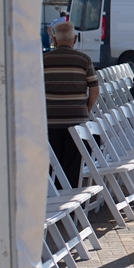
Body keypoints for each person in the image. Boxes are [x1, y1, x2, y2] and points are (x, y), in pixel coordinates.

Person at [44, 21, 99, 186]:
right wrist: (86, 110)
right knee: (73, 168)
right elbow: (94, 90)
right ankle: (72, 198)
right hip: (76, 122)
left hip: (50, 122)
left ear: (55, 40)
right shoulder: (84, 60)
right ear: (74, 39)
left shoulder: (43, 60)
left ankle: (55, 196)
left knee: (53, 165)